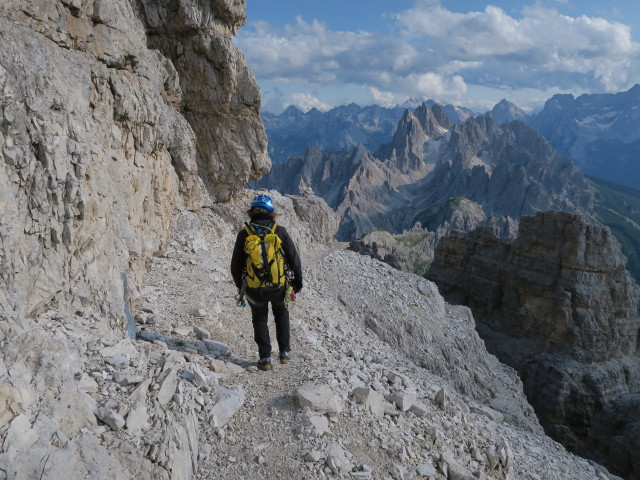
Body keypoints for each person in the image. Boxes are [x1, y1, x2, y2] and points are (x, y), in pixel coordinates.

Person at [230, 194, 303, 371]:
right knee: (281, 314)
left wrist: (240, 286)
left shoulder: (245, 234)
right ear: (272, 213)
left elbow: (236, 264)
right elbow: (294, 259)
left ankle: (265, 358)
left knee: (259, 319)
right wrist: (297, 284)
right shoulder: (279, 231)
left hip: (255, 289)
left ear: (252, 212)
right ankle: (284, 353)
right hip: (279, 286)